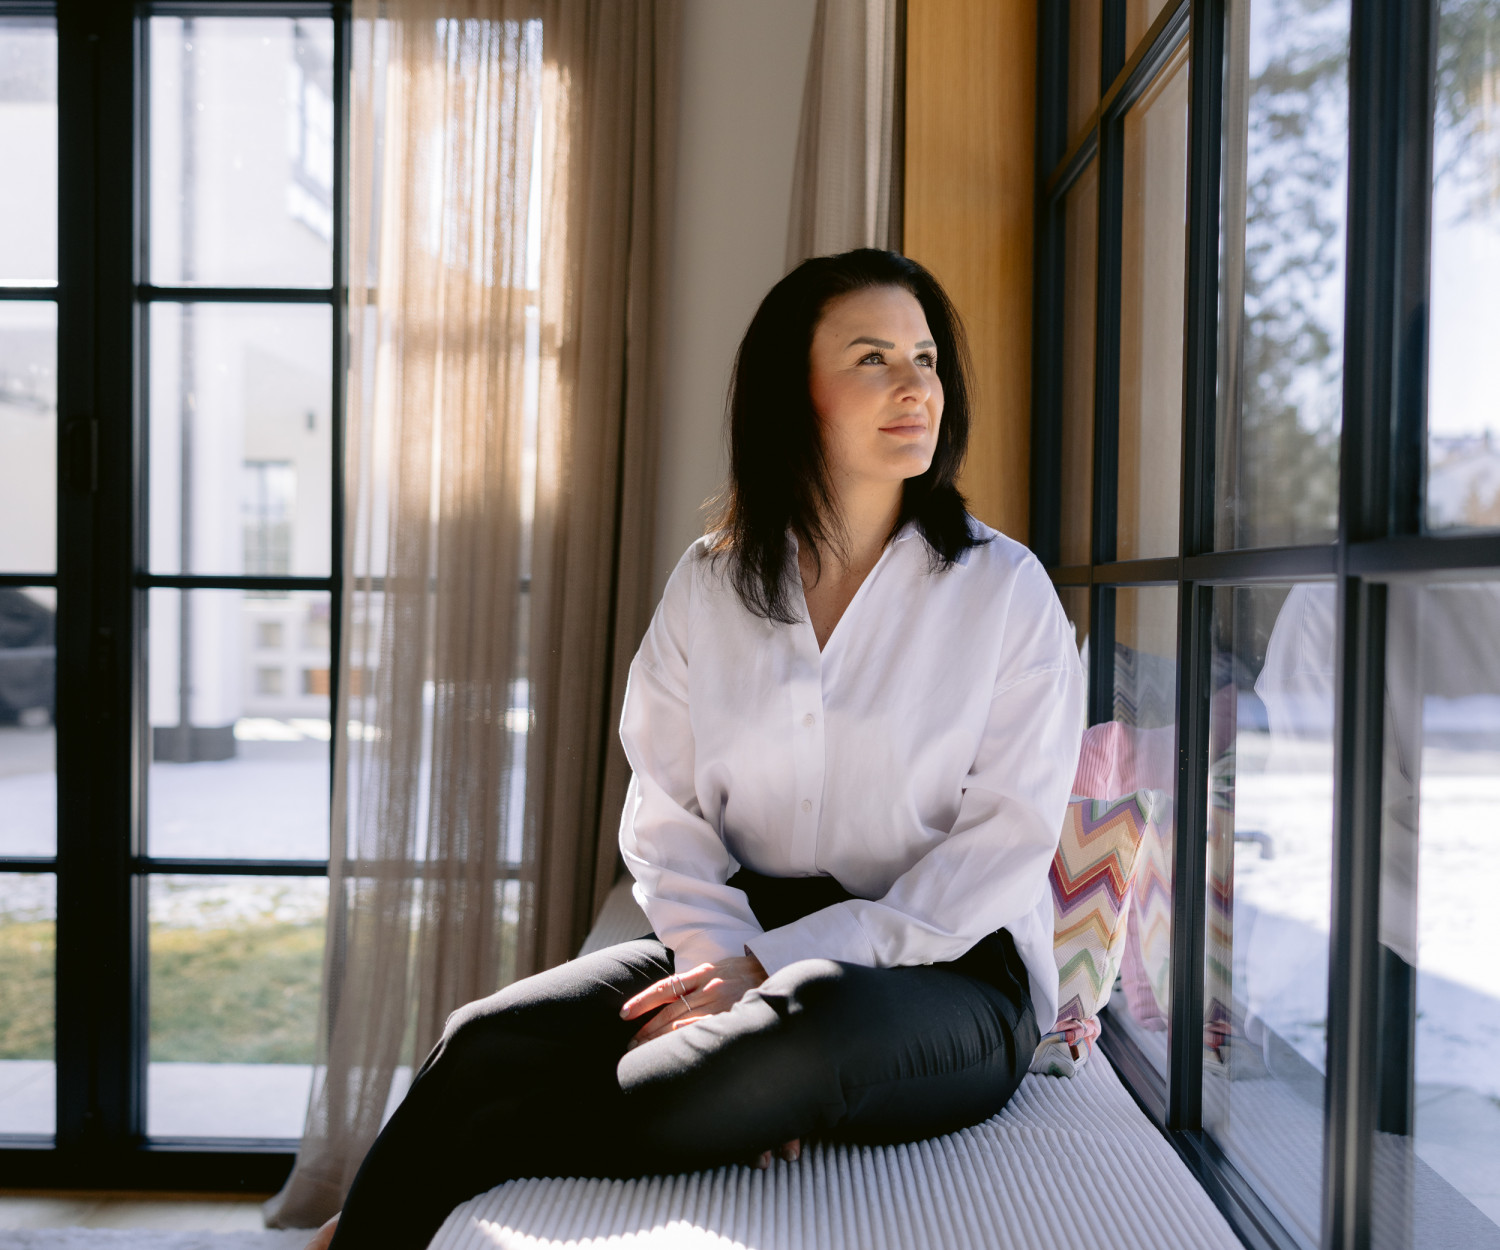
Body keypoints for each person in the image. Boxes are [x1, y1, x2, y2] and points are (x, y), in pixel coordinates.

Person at [307, 249, 1085, 1250]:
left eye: (926, 358)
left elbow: (997, 855)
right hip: (740, 935)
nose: (915, 386)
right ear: (793, 395)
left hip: (952, 972)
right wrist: (723, 960)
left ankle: (474, 1160)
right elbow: (667, 813)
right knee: (484, 1038)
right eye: (873, 358)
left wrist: (768, 971)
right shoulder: (711, 584)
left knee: (798, 1025)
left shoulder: (1004, 590)